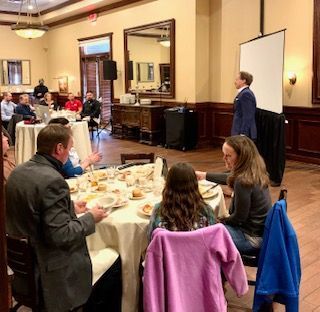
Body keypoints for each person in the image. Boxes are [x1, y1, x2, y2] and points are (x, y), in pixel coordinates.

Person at [6, 124, 107, 312]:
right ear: (59, 149)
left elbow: (34, 210)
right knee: (114, 261)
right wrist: (91, 218)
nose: (70, 153)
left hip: (21, 266)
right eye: (70, 148)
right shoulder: (53, 180)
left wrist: (70, 208)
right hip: (50, 270)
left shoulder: (18, 171)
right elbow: (61, 235)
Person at [196, 135, 271, 255]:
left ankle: (212, 271)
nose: (224, 158)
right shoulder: (254, 170)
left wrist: (219, 221)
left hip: (251, 238)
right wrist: (204, 175)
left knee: (204, 234)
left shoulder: (243, 181)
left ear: (241, 157)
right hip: (260, 233)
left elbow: (239, 218)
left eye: (228, 155)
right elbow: (230, 177)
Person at [148, 162, 215, 241]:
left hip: (168, 253)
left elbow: (152, 240)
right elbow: (213, 239)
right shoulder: (206, 210)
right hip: (199, 252)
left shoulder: (158, 211)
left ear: (168, 185)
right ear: (195, 185)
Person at [231, 71, 257, 140]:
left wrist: (243, 134)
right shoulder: (243, 93)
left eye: (237, 79)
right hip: (238, 131)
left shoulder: (246, 94)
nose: (235, 82)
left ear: (243, 81)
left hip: (242, 133)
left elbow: (248, 116)